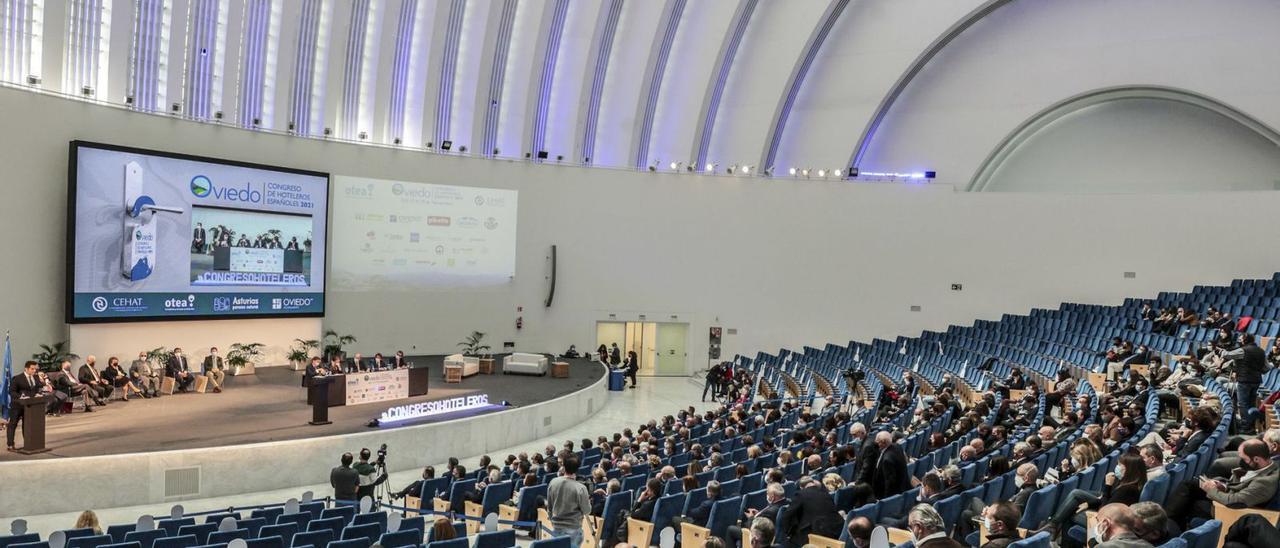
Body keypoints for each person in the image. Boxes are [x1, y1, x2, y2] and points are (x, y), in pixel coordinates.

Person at [1166, 438, 1280, 528]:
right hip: (1231, 494)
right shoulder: (1265, 464)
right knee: (1189, 485)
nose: (1240, 462)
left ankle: (1168, 524)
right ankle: (1171, 523)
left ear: (1256, 459)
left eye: (1244, 459)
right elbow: (1240, 486)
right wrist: (1223, 487)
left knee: (1194, 502)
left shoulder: (1264, 482)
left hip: (1236, 511)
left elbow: (1235, 502)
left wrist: (1211, 489)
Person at [1222, 333, 1267, 434]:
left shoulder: (1243, 350)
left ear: (1245, 340)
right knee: (1251, 404)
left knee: (1243, 404)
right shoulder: (1261, 351)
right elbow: (1267, 367)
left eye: (1241, 339)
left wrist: (1222, 350)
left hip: (1244, 380)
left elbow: (1227, 355)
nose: (1239, 340)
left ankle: (1245, 427)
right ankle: (1251, 426)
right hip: (1256, 380)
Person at [779, 476, 842, 547]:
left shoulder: (800, 494)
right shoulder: (826, 494)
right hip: (833, 532)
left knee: (786, 542)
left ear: (801, 487)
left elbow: (787, 515)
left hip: (813, 534)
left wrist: (787, 533)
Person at [547, 454, 591, 548]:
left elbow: (549, 507)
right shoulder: (581, 488)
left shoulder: (553, 482)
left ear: (563, 466)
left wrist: (553, 521)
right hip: (574, 529)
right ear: (577, 468)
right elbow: (587, 511)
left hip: (556, 527)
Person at [7, 361, 45, 451]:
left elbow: (36, 389)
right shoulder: (17, 378)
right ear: (26, 368)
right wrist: (21, 396)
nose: (34, 371)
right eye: (32, 369)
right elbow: (11, 392)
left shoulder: (35, 377)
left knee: (27, 425)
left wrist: (38, 393)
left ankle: (28, 444)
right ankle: (10, 444)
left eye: (35, 369)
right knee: (13, 424)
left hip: (30, 406)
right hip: (17, 405)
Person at [870, 431, 909, 498]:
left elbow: (890, 483)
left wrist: (886, 499)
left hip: (888, 493)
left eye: (877, 441)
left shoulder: (887, 460)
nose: (876, 443)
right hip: (903, 487)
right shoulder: (897, 446)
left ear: (882, 443)